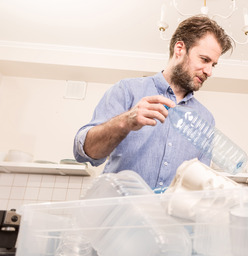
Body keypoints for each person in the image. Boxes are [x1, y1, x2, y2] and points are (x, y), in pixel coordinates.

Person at [73, 15, 233, 190]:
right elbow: (84, 153)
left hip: (168, 217)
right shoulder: (127, 90)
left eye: (213, 65)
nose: (209, 72)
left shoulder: (205, 119)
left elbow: (198, 188)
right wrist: (125, 121)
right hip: (116, 214)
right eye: (204, 59)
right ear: (179, 48)